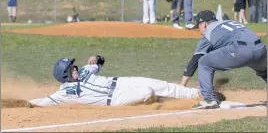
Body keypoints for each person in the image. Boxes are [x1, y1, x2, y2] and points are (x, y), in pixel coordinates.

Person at [179, 10, 267, 109]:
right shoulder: (229, 23)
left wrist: (182, 86)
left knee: (204, 62)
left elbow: (195, 61)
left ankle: (209, 100)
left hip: (240, 51)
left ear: (204, 24)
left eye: (198, 26)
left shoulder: (209, 32)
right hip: (261, 49)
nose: (199, 30)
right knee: (265, 71)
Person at [29, 56, 200, 107]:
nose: (75, 68)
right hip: (116, 99)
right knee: (148, 91)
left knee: (159, 84)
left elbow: (100, 62)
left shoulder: (84, 71)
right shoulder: (65, 92)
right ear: (64, 76)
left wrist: (97, 58)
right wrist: (21, 102)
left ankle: (197, 93)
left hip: (122, 82)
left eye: (73, 66)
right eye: (70, 68)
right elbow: (44, 101)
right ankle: (155, 100)